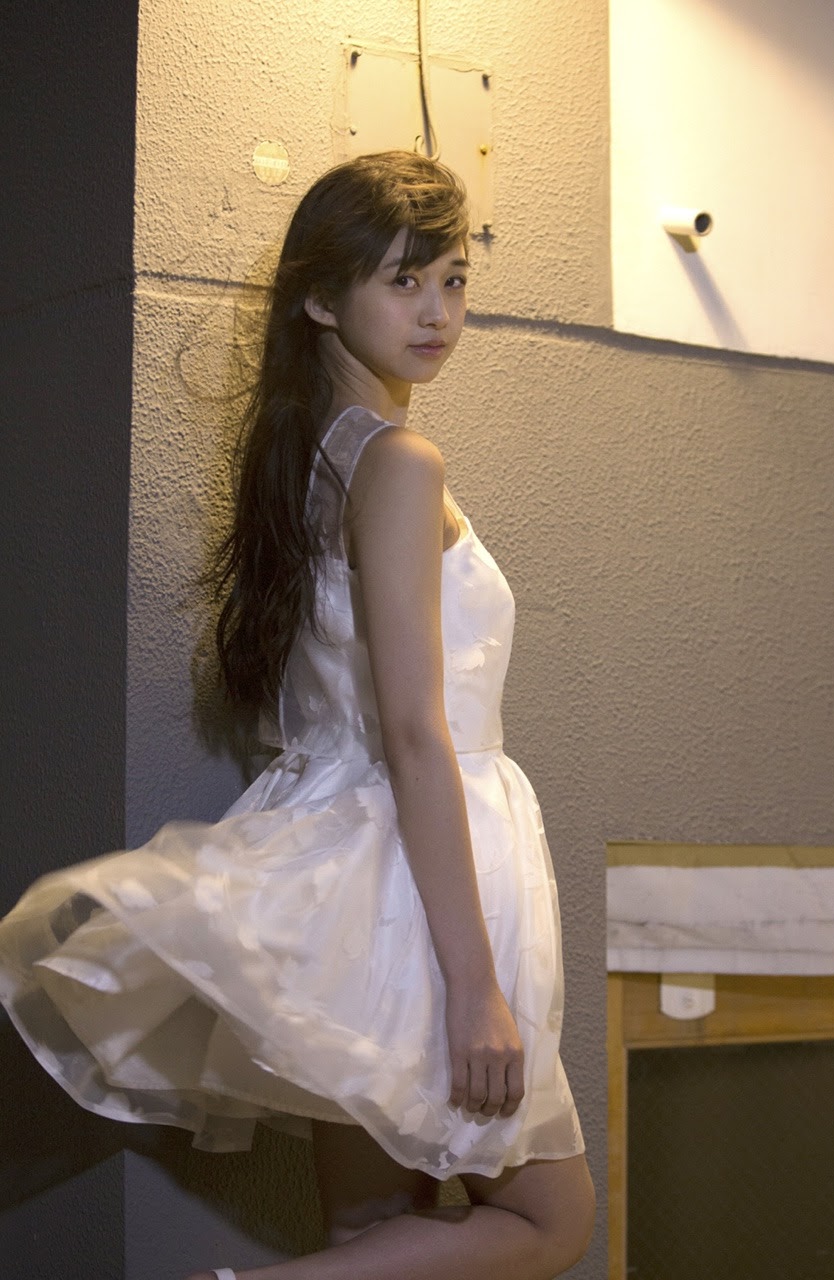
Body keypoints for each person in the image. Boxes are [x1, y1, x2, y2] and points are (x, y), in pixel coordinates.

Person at [0, 151, 594, 1279]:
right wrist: (476, 988)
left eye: (453, 280)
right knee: (548, 1222)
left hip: (348, 872)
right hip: (419, 881)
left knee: (369, 1232)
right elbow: (413, 730)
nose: (437, 312)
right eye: (402, 281)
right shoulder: (398, 462)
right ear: (321, 298)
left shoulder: (311, 457)